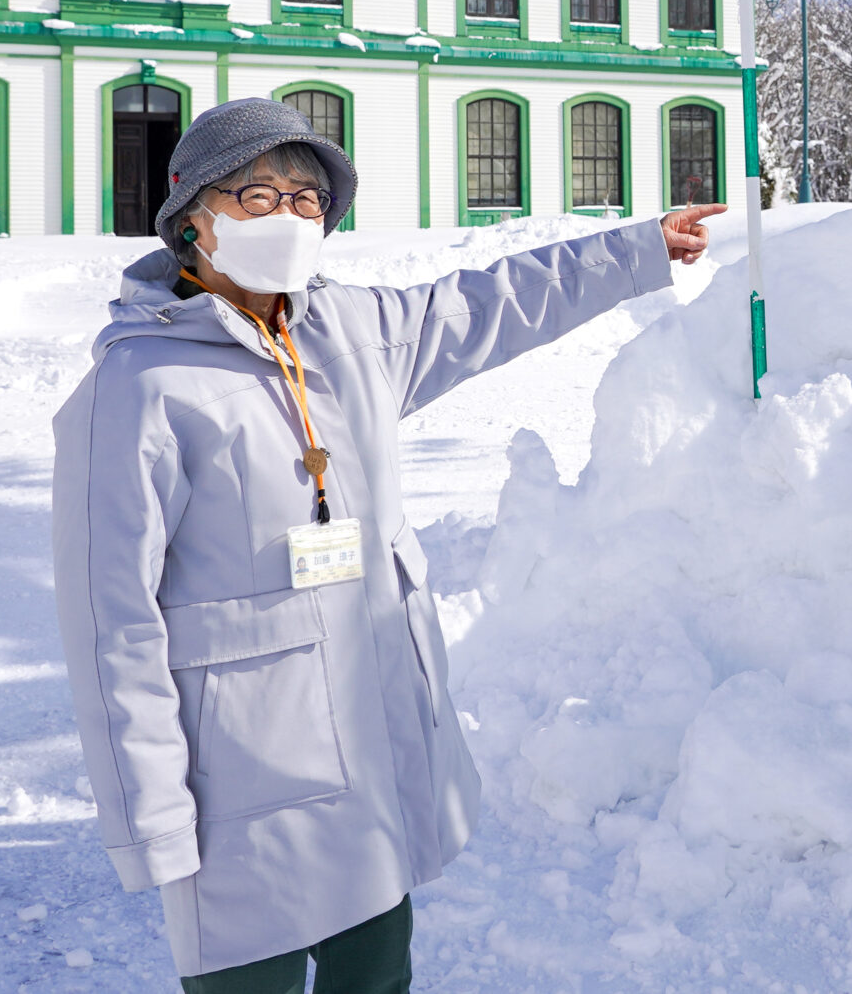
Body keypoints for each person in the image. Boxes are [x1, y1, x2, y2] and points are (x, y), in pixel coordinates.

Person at [52, 97, 720, 990]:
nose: (289, 216)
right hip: (241, 785)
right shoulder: (136, 388)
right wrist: (153, 817)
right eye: (258, 194)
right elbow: (113, 627)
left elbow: (493, 302)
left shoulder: (349, 331)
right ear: (192, 218)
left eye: (307, 200)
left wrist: (637, 250)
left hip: (366, 752)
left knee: (377, 972)